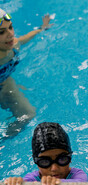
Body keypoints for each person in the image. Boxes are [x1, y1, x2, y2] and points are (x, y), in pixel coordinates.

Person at [0, 8, 53, 139]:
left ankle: (3, 140)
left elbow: (25, 38)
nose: (10, 34)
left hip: (5, 83)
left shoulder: (14, 44)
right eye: (2, 32)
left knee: (28, 114)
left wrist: (42, 28)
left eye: (10, 27)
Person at [4, 122, 88, 185]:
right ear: (36, 162)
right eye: (45, 162)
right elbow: (25, 184)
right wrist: (17, 183)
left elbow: (80, 184)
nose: (54, 168)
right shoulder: (33, 177)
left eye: (62, 159)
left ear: (70, 158)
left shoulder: (77, 174)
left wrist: (56, 182)